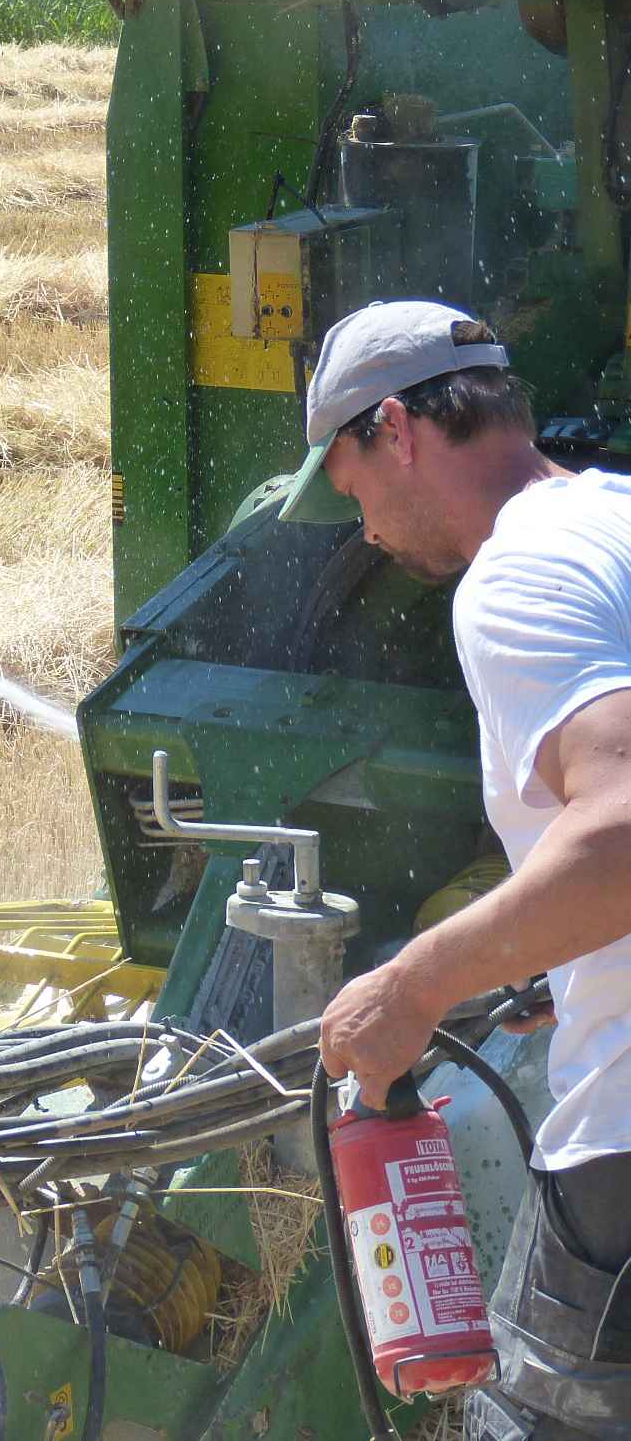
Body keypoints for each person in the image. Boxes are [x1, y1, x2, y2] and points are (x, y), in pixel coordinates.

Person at [294, 301, 631, 1438]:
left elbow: (621, 829)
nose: (367, 531)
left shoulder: (517, 575)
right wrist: (555, 954)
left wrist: (414, 985)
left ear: (395, 428)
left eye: (352, 490)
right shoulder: (618, 522)